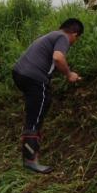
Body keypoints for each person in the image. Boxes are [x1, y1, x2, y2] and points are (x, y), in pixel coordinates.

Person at [12, 18, 84, 174]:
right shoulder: (63, 37)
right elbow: (58, 58)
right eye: (77, 39)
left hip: (19, 73)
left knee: (33, 113)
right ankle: (30, 161)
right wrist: (69, 74)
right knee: (36, 117)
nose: (74, 42)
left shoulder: (50, 35)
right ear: (74, 34)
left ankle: (28, 157)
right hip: (34, 78)